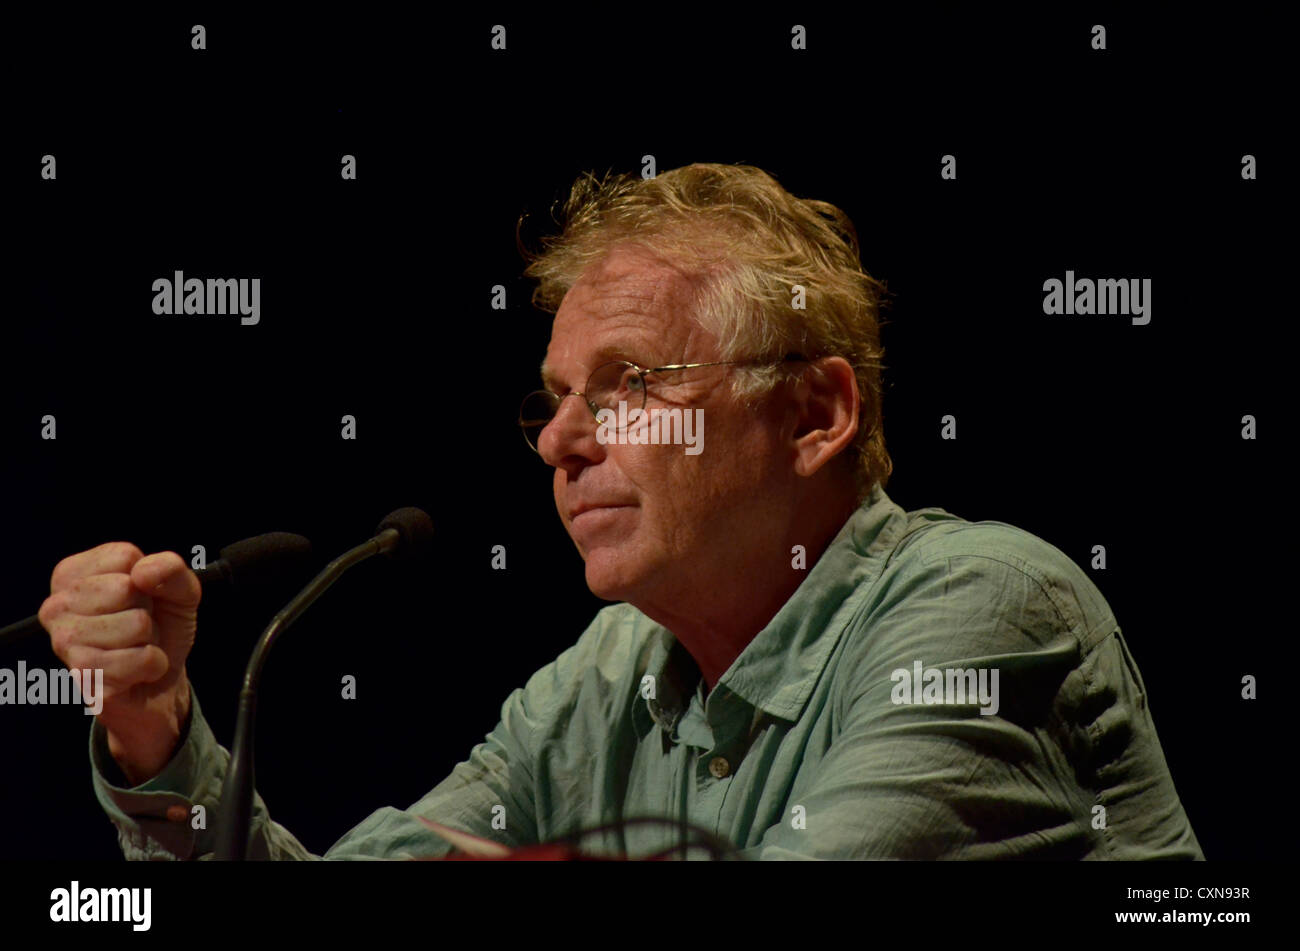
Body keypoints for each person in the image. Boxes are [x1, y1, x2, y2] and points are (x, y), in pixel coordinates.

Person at [40, 163, 1202, 860]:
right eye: (553, 402)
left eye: (631, 386)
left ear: (811, 414)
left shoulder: (984, 610)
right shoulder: (613, 672)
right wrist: (156, 729)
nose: (559, 440)